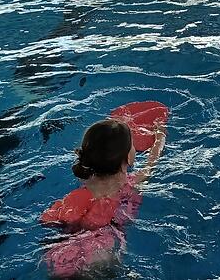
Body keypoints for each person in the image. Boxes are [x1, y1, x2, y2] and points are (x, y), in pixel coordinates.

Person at [40, 118, 166, 277]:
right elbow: (152, 162)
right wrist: (160, 136)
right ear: (128, 157)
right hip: (101, 251)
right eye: (132, 145)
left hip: (62, 256)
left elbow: (49, 220)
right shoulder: (131, 184)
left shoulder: (80, 194)